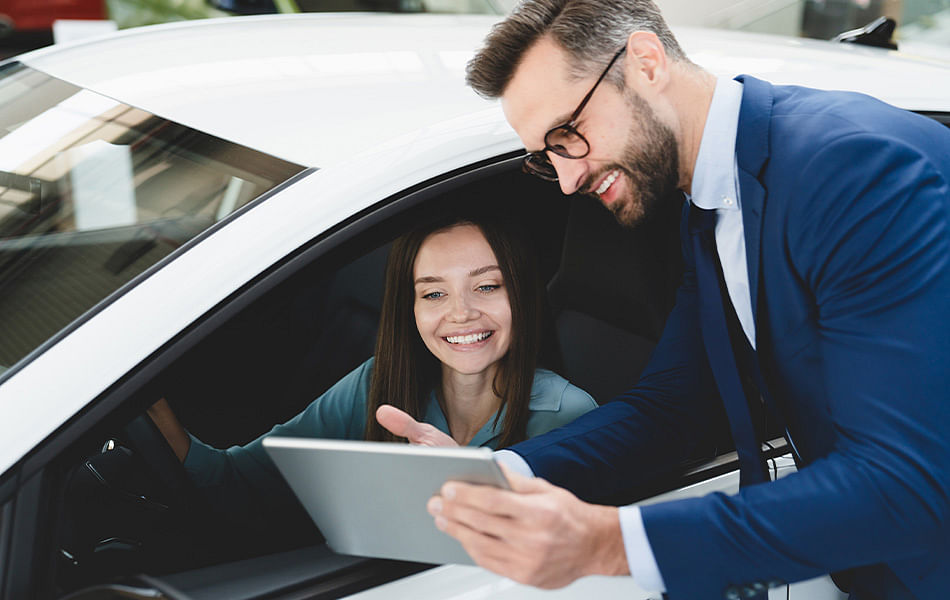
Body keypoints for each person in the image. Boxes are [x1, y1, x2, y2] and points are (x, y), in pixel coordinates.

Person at [382, 2, 950, 599]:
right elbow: (674, 406)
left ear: (647, 62)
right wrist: (490, 477)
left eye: (567, 134)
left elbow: (907, 484)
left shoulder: (854, 172)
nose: (568, 179)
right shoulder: (708, 203)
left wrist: (607, 543)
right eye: (544, 156)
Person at [147, 214, 596, 530]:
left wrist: (471, 480)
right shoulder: (377, 383)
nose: (461, 313)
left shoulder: (570, 415)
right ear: (411, 308)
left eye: (486, 287)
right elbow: (244, 482)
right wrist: (148, 406)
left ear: (522, 295)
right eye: (434, 294)